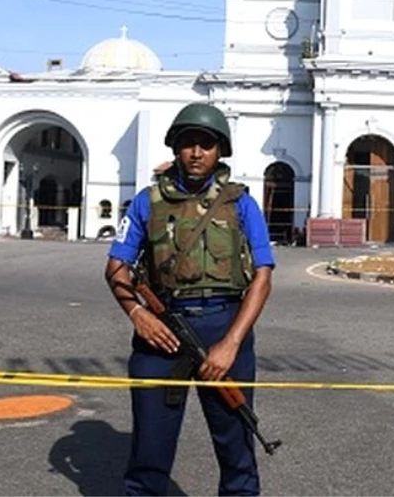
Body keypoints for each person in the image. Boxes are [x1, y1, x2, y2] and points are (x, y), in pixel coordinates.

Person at [103, 102, 275, 497]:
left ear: (220, 151)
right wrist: (137, 314)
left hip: (223, 326)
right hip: (162, 332)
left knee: (236, 448)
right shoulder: (147, 202)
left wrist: (231, 344)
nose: (197, 152)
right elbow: (116, 267)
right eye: (187, 143)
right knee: (150, 449)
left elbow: (263, 277)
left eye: (206, 144)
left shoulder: (241, 203)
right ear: (175, 149)